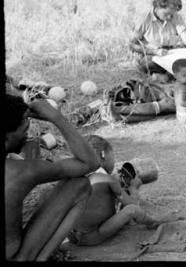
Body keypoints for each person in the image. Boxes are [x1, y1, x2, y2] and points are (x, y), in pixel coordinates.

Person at [5, 95, 99, 261]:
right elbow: (90, 162)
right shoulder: (22, 171)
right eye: (24, 131)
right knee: (79, 185)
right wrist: (57, 118)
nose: (27, 136)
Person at [67, 136, 167, 246]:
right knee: (132, 210)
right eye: (113, 156)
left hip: (71, 234)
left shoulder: (74, 175)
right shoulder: (109, 179)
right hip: (93, 236)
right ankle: (153, 223)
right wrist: (134, 186)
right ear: (103, 155)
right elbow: (132, 204)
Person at [129, 0, 186, 77]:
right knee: (152, 70)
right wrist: (155, 51)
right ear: (157, 8)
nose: (169, 17)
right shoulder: (144, 19)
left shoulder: (175, 16)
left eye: (171, 14)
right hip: (151, 55)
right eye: (166, 14)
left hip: (170, 54)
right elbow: (132, 45)